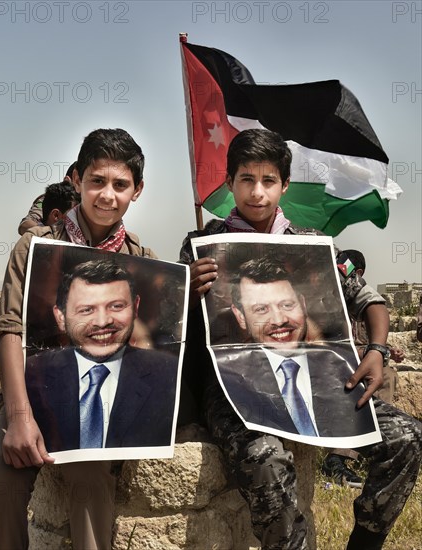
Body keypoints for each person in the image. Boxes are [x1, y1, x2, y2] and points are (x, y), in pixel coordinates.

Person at [179, 129, 421, 550]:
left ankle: (365, 543)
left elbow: (370, 301)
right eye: (246, 180)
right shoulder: (201, 245)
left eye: (268, 181)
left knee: (405, 437)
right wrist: (187, 288)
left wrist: (377, 351)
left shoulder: (313, 246)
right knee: (264, 458)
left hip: (316, 382)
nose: (257, 193)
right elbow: (173, 323)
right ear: (230, 182)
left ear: (284, 185)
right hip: (232, 389)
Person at [0, 128, 156, 550]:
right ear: (75, 179)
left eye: (120, 185)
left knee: (92, 479)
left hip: (100, 404)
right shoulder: (35, 248)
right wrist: (19, 417)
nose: (107, 195)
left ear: (137, 191)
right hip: (32, 396)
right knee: (3, 484)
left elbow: (156, 342)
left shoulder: (143, 260)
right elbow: (10, 329)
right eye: (97, 181)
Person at [213, 256, 376, 438]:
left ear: (303, 304)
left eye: (287, 305)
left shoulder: (332, 369)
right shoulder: (236, 381)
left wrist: (378, 350)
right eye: (261, 310)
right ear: (240, 316)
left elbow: (371, 300)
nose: (279, 320)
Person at [26, 259, 178, 451]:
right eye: (87, 310)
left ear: (136, 307)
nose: (102, 321)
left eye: (116, 306)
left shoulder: (169, 374)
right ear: (61, 317)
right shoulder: (32, 374)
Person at [322, 249, 405, 488]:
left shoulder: (364, 304)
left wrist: (385, 349)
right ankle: (337, 458)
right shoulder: (329, 299)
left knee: (387, 376)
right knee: (358, 383)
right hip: (339, 363)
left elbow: (372, 341)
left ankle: (378, 448)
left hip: (364, 362)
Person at [18, 162, 77, 235]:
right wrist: (52, 235)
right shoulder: (52, 198)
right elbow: (25, 225)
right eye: (77, 183)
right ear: (67, 180)